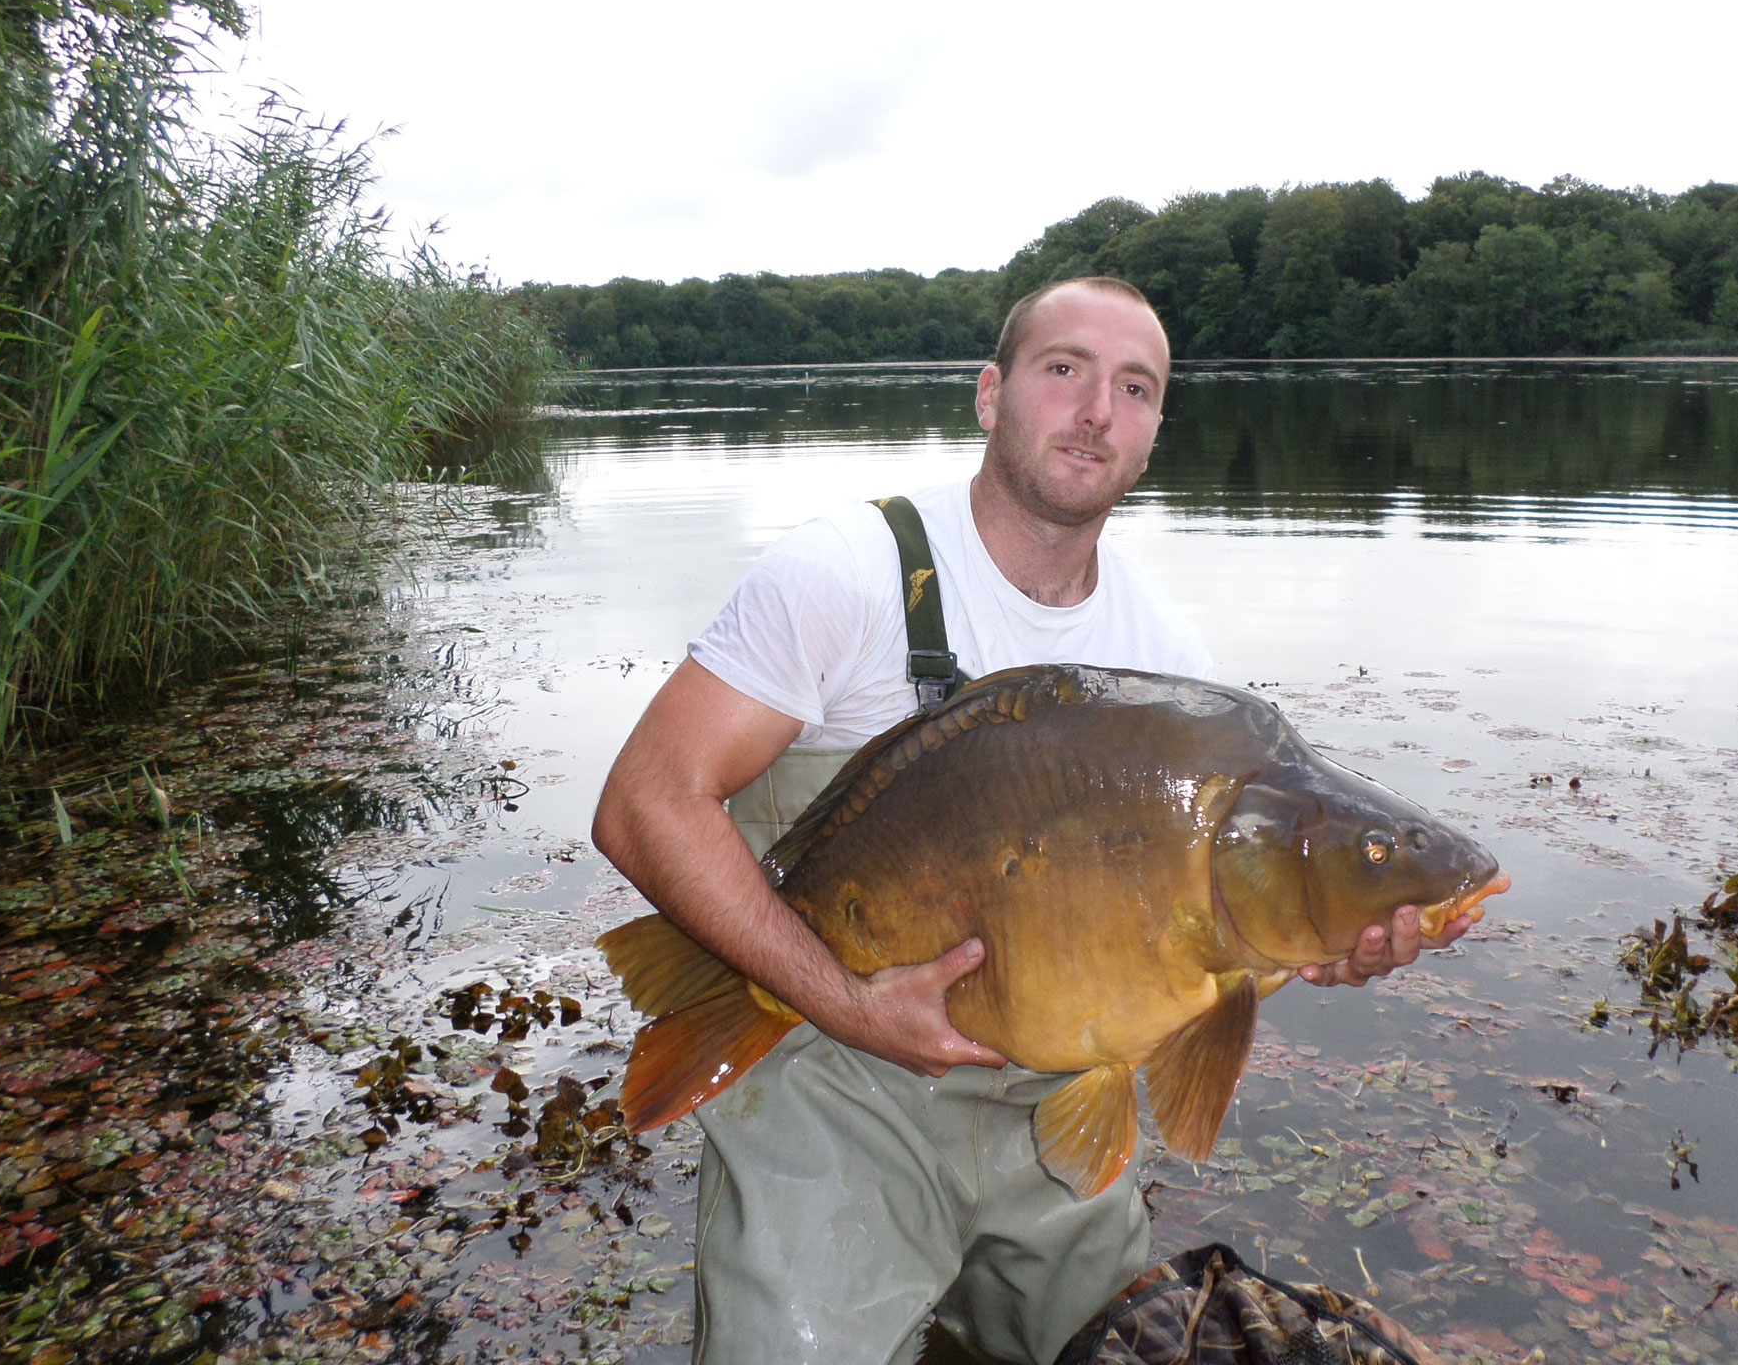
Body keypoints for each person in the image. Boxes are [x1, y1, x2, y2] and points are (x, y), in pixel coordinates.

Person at [590, 276, 1475, 1365]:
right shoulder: (850, 570)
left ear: (1152, 430)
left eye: (1134, 387)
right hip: (836, 1082)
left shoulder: (1168, 666)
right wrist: (839, 999)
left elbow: (1198, 971)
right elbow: (644, 802)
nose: (1096, 408)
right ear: (989, 393)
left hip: (1046, 1125)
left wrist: (1320, 936)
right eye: (1064, 369)